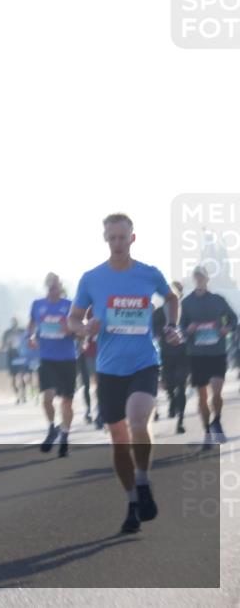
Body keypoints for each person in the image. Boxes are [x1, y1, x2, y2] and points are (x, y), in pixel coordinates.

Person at [67, 213, 181, 534]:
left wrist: (172, 325)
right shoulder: (92, 279)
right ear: (106, 239)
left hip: (144, 361)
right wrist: (85, 328)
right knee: (118, 441)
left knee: (137, 420)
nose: (117, 243)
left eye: (122, 237)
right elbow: (73, 319)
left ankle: (143, 481)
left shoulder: (149, 274)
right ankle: (132, 501)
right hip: (108, 368)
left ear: (132, 238)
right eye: (112, 237)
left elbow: (172, 297)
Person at [181, 265, 238, 448]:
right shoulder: (186, 302)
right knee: (202, 396)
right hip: (196, 354)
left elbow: (233, 319)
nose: (199, 280)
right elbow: (180, 328)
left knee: (217, 392)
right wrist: (187, 330)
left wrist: (226, 328)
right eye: (196, 277)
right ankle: (207, 432)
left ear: (207, 279)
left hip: (216, 352)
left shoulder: (218, 300)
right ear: (193, 280)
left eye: (202, 277)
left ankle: (217, 421)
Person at [29, 273, 78, 458]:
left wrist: (71, 330)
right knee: (47, 398)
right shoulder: (37, 305)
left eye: (56, 285)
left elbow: (78, 327)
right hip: (47, 358)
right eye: (50, 285)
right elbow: (32, 325)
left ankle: (64, 435)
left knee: (66, 401)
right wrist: (31, 337)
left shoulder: (69, 305)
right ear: (46, 286)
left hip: (67, 358)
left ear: (60, 286)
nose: (53, 288)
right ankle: (51, 428)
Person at [153, 281, 189, 434]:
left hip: (184, 353)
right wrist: (164, 333)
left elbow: (193, 326)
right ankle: (171, 400)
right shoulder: (160, 312)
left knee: (181, 385)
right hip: (166, 353)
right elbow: (153, 330)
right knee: (169, 384)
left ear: (180, 294)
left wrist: (185, 333)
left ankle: (180, 420)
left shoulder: (187, 309)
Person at [2, 319, 30, 403]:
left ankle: (24, 395)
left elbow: (28, 341)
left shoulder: (23, 331)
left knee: (22, 376)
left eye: (16, 322)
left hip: (21, 355)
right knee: (13, 378)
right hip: (12, 356)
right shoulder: (7, 333)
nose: (14, 324)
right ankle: (17, 395)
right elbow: (3, 345)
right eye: (13, 322)